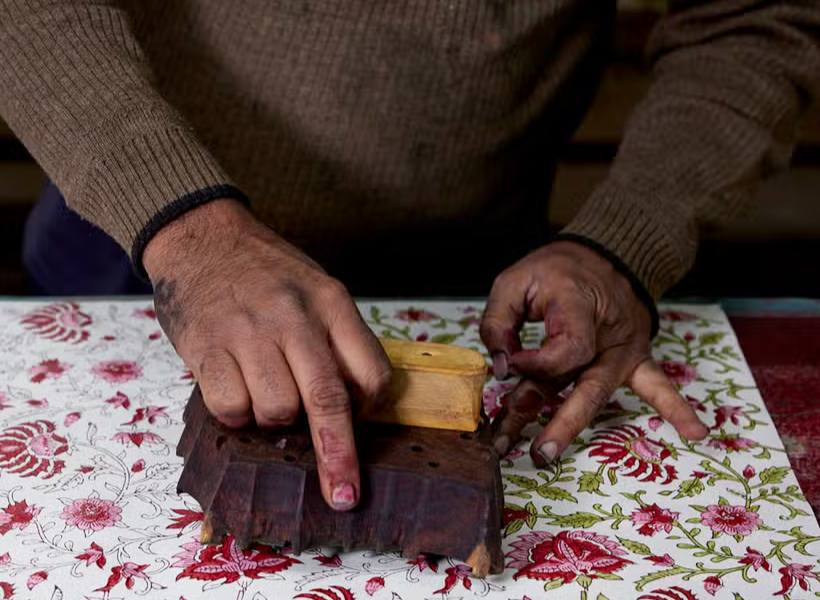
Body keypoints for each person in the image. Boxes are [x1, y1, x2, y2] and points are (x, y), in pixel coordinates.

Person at [1, 2, 817, 512]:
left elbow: (751, 17)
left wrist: (625, 238)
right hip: (138, 244)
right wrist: (186, 228)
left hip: (478, 294)